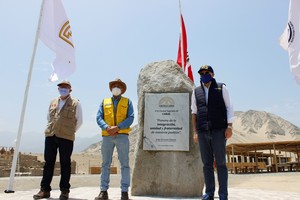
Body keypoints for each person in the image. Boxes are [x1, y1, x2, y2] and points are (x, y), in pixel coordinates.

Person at [33, 80, 83, 200]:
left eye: (66, 87)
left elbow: (79, 121)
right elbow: (48, 117)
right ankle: (44, 190)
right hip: (51, 135)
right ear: (58, 89)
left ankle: (64, 191)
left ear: (70, 90)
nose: (63, 89)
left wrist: (69, 131)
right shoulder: (53, 102)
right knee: (48, 163)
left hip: (66, 137)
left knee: (65, 164)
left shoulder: (76, 103)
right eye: (61, 87)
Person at [191, 65, 234, 200]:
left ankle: (223, 195)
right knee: (207, 164)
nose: (204, 75)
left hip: (219, 130)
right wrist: (195, 132)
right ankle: (209, 193)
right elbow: (194, 112)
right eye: (202, 73)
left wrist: (230, 126)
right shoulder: (196, 91)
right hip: (203, 131)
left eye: (207, 72)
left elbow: (229, 107)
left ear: (212, 74)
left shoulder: (221, 88)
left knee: (221, 163)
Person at [95, 78, 134, 200]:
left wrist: (117, 127)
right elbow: (99, 117)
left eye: (119, 86)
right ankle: (103, 191)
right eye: (114, 85)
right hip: (107, 136)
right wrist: (107, 127)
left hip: (122, 136)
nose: (116, 87)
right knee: (105, 164)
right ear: (111, 88)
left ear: (122, 89)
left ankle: (124, 192)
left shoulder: (128, 102)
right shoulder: (104, 101)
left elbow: (131, 118)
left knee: (124, 164)